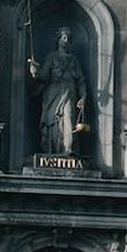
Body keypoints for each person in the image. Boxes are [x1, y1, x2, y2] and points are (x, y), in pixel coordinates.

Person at [28, 28, 87, 156]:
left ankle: (68, 149)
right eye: (64, 38)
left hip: (69, 92)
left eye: (68, 39)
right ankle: (52, 150)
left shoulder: (74, 60)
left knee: (68, 118)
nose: (66, 41)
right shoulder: (51, 57)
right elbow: (43, 76)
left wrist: (83, 96)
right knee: (52, 121)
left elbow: (81, 80)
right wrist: (35, 72)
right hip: (52, 92)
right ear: (58, 40)